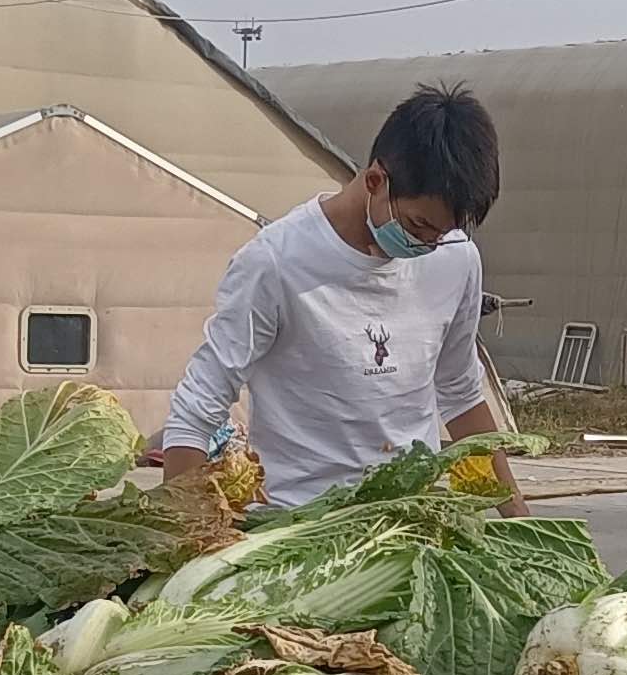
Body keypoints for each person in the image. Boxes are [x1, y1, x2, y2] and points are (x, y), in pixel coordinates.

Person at [162, 83, 522, 520]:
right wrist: (187, 539)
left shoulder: (455, 258)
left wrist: (519, 523)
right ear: (375, 180)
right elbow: (195, 413)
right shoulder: (276, 262)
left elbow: (461, 397)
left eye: (441, 234)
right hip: (298, 529)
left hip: (412, 526)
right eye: (419, 225)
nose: (428, 245)